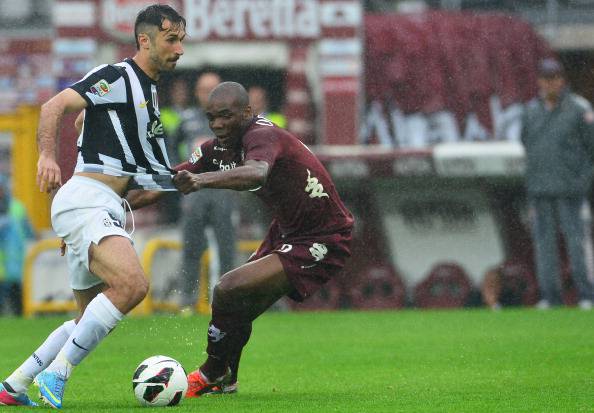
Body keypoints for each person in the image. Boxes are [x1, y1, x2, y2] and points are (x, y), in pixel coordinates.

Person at [0, 4, 185, 408]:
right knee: (132, 286)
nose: (179, 49)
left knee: (92, 320)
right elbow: (53, 107)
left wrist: (192, 176)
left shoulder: (149, 96)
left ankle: (14, 384)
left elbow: (152, 186)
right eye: (171, 39)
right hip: (86, 201)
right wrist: (47, 156)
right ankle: (58, 372)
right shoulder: (117, 77)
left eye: (181, 40)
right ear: (144, 40)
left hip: (98, 209)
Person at [128, 81, 354, 396]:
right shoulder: (215, 149)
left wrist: (201, 180)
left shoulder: (261, 135)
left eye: (226, 115)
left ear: (247, 112)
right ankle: (225, 378)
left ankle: (210, 372)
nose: (218, 124)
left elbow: (255, 173)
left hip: (323, 234)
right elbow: (167, 182)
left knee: (227, 288)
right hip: (287, 231)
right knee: (236, 304)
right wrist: (111, 202)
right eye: (212, 117)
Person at [521, 57, 594, 310]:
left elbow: (591, 148)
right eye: (545, 78)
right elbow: (527, 144)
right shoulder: (531, 110)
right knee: (544, 245)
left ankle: (587, 295)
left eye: (553, 78)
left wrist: (582, 181)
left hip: (571, 189)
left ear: (562, 80)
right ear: (539, 81)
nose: (549, 83)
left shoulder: (579, 108)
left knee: (577, 243)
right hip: (540, 188)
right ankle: (551, 297)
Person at [173, 72, 238, 312]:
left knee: (226, 247)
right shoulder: (187, 119)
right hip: (194, 191)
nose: (208, 95)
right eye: (203, 90)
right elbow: (170, 147)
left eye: (213, 90)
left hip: (223, 189)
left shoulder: (233, 121)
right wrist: (177, 173)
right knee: (191, 246)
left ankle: (226, 301)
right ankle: (187, 302)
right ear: (197, 93)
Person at [0, 175, 36, 315]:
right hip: (5, 268)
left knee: (18, 307)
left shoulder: (17, 207)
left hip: (16, 267)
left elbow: (29, 232)